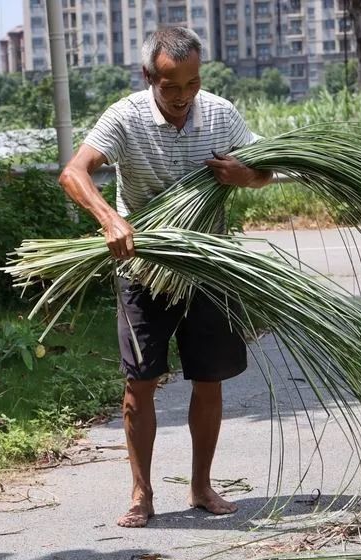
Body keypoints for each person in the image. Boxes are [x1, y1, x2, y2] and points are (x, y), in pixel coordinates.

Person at [58, 27, 273, 528]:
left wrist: (248, 176)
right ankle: (141, 493)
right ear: (149, 76)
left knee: (210, 378)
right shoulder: (126, 117)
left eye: (192, 84)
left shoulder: (220, 112)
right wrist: (111, 220)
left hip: (208, 265)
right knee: (140, 382)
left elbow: (266, 168)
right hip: (144, 266)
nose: (183, 97)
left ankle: (201, 487)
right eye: (171, 87)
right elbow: (74, 173)